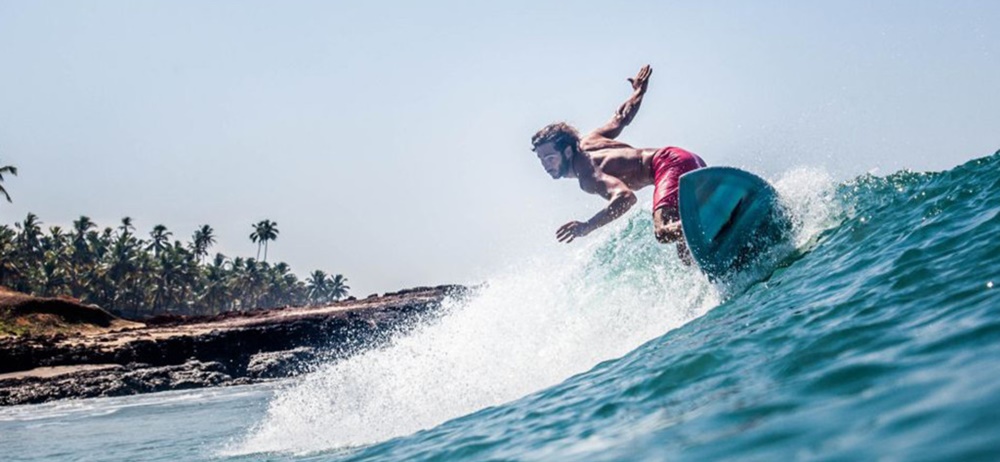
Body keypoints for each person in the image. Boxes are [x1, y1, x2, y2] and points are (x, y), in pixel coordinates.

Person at [531, 64, 706, 259]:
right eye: (541, 159)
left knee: (663, 231)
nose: (546, 165)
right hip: (684, 157)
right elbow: (621, 117)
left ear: (568, 152)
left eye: (550, 158)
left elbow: (625, 197)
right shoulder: (589, 140)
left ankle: (708, 219)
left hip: (669, 165)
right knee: (686, 252)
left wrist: (587, 227)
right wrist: (639, 91)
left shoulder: (587, 175)